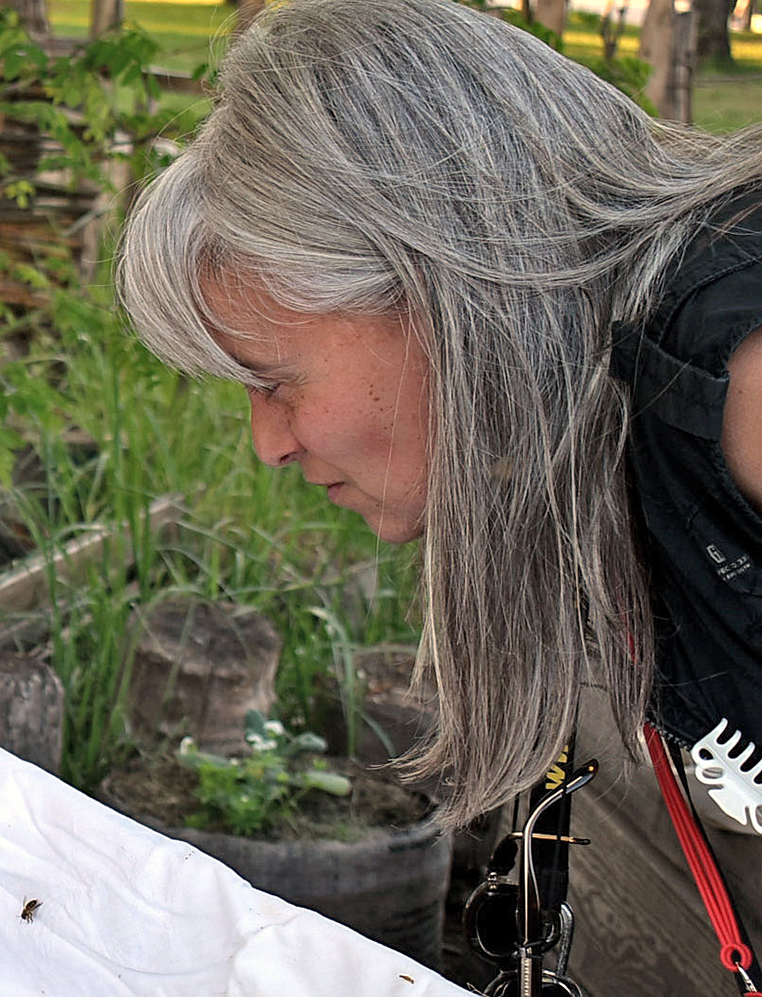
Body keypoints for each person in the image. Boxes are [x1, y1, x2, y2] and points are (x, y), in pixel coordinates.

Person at [115, 0, 762, 992]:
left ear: (438, 286)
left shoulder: (737, 367)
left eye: (274, 380)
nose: (268, 445)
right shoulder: (613, 430)